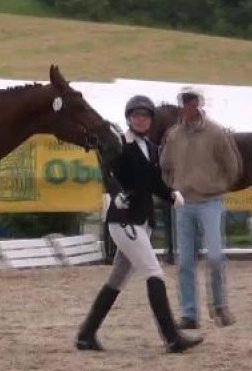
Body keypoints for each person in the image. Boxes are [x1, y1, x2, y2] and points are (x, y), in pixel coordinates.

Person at [76, 95, 203, 353]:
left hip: (141, 221)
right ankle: (171, 337)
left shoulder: (152, 148)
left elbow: (153, 181)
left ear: (151, 120)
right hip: (124, 221)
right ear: (129, 118)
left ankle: (86, 335)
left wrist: (170, 195)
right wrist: (115, 193)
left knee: (117, 280)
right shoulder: (120, 143)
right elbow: (107, 170)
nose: (141, 120)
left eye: (145, 116)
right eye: (136, 116)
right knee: (154, 272)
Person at [160, 87, 241, 329]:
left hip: (210, 202)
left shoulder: (216, 132)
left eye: (192, 100)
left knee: (215, 256)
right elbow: (165, 165)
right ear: (181, 104)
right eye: (185, 101)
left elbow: (232, 165)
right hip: (184, 204)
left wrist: (219, 186)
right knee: (184, 261)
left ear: (199, 103)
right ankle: (189, 314)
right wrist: (173, 188)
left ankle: (219, 305)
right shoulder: (173, 135)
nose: (188, 105)